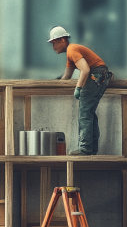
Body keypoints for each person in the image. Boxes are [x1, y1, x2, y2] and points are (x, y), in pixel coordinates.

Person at [48, 26, 112, 155]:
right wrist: (53, 82)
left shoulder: (72, 50)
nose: (53, 47)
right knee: (89, 114)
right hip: (100, 75)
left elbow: (86, 70)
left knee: (85, 115)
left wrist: (78, 88)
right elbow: (67, 76)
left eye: (54, 43)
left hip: (96, 75)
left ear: (63, 40)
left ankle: (85, 149)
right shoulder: (71, 54)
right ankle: (92, 149)